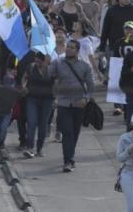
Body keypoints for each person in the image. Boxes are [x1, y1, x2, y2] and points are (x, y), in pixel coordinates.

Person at [49, 38, 95, 172]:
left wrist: (86, 99)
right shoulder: (58, 63)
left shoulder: (85, 66)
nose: (68, 49)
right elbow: (49, 76)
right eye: (67, 46)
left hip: (79, 104)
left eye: (72, 47)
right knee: (67, 132)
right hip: (63, 103)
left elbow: (91, 86)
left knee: (75, 132)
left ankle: (70, 156)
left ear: (77, 51)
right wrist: (48, 64)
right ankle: (68, 161)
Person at [21, 51, 54, 159]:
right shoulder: (31, 67)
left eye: (40, 60)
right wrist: (24, 86)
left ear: (46, 60)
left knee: (43, 124)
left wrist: (57, 98)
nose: (37, 62)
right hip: (32, 98)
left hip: (47, 100)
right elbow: (25, 78)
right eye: (36, 60)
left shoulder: (52, 69)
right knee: (31, 122)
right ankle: (30, 147)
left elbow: (57, 83)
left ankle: (39, 148)